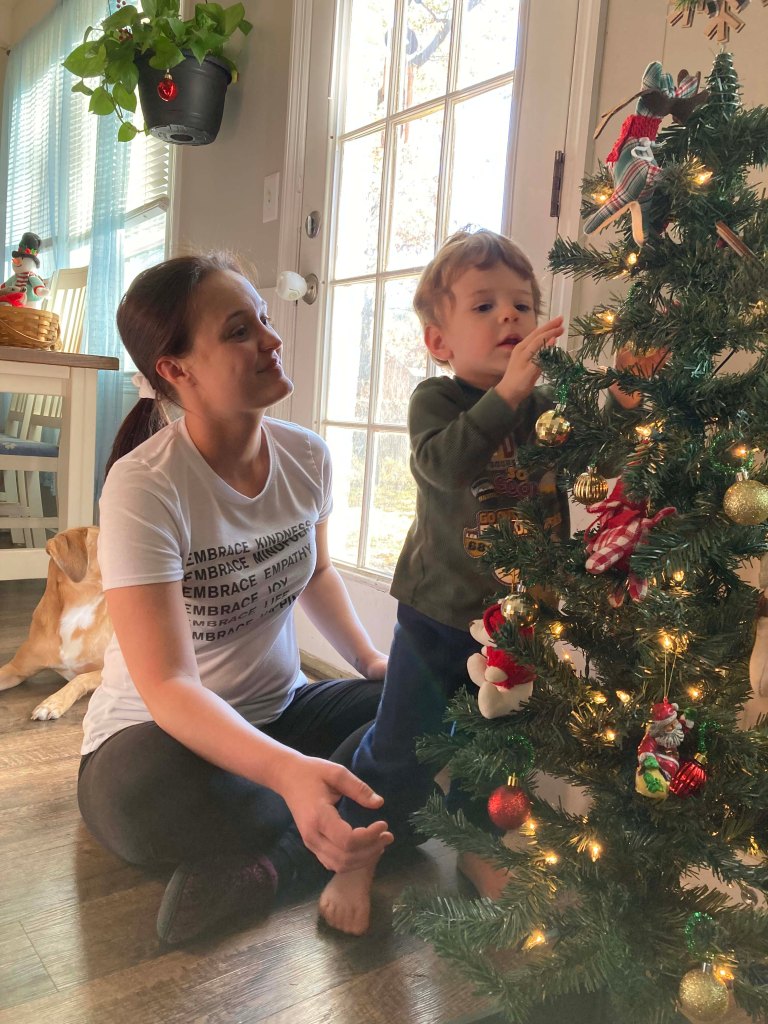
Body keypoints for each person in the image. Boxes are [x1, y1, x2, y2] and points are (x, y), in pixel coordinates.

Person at [318, 228, 656, 935]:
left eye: (522, 305)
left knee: (500, 743)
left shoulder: (544, 408)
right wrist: (506, 392)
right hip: (438, 612)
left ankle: (478, 847)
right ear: (438, 341)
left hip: (520, 618)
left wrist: (623, 400)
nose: (509, 315)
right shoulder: (435, 402)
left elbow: (594, 459)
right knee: (401, 740)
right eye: (484, 306)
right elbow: (445, 466)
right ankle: (354, 854)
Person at [77, 253, 394, 946]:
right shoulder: (144, 487)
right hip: (162, 742)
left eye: (265, 320)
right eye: (239, 331)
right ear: (176, 370)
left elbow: (316, 573)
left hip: (285, 716)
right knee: (139, 800)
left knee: (422, 701)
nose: (272, 340)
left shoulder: (307, 457)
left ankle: (272, 867)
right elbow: (167, 686)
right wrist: (287, 773)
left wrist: (371, 662)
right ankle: (337, 824)